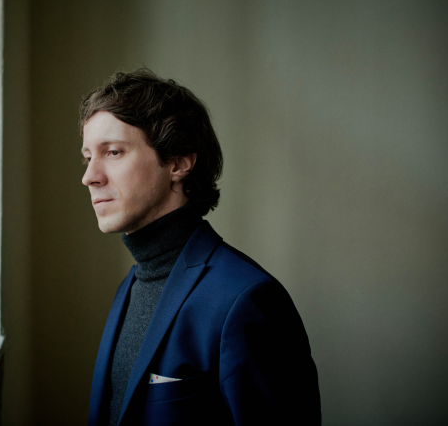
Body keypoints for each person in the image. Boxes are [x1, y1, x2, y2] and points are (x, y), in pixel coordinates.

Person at [80, 69, 321, 426]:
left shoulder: (247, 300)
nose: (89, 176)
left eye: (113, 152)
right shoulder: (130, 286)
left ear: (179, 163)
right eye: (88, 157)